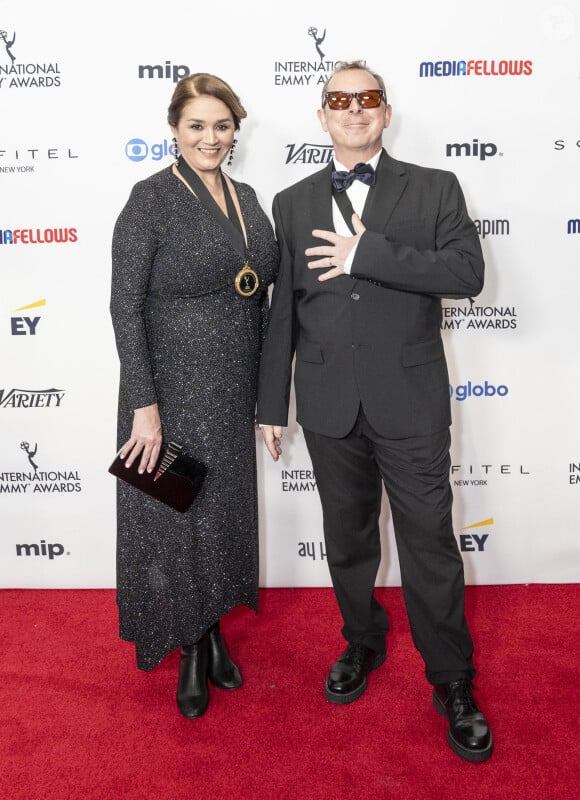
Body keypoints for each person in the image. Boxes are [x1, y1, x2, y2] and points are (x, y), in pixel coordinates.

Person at [257, 61, 492, 762]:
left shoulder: (436, 187)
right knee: (349, 541)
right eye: (339, 101)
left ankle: (452, 679)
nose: (353, 111)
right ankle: (361, 640)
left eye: (366, 100)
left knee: (429, 543)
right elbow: (282, 314)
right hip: (329, 402)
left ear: (385, 113)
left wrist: (370, 254)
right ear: (321, 115)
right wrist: (272, 402)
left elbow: (466, 274)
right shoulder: (291, 201)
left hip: (410, 400)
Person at [110, 73, 279, 719]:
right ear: (175, 129)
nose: (211, 137)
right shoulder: (149, 198)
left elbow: (258, 296)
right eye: (197, 125)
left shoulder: (249, 196)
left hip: (233, 390)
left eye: (222, 125)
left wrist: (267, 399)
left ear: (236, 131)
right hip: (171, 392)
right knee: (175, 519)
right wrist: (143, 403)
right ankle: (189, 643)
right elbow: (124, 307)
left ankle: (212, 629)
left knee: (221, 517)